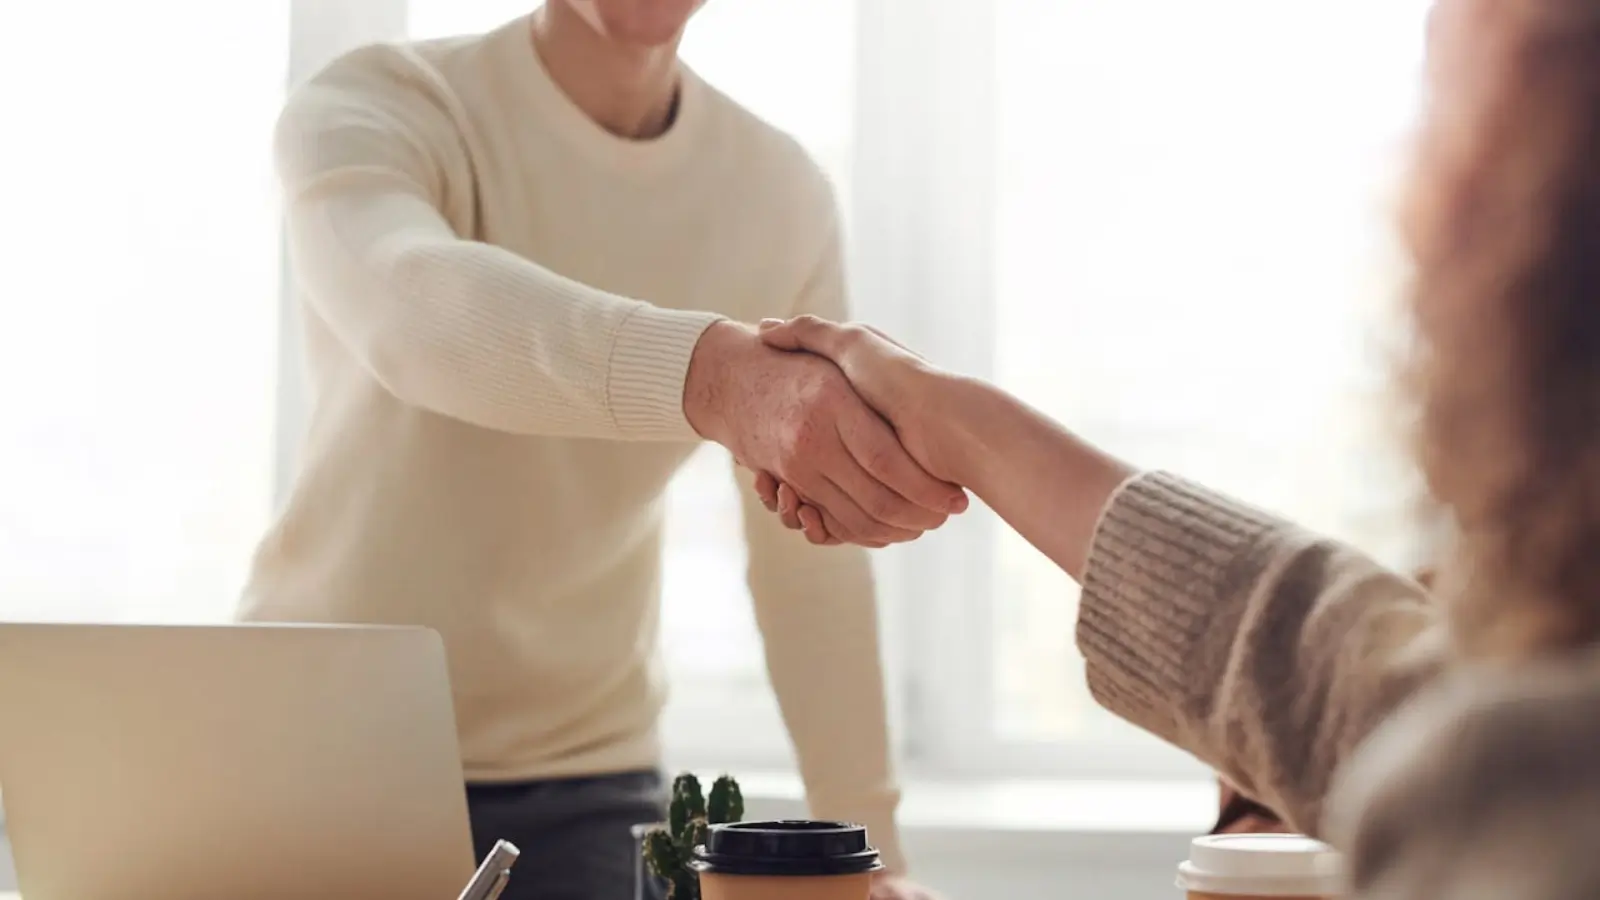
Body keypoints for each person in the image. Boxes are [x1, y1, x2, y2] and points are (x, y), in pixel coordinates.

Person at [750, 0, 1600, 894]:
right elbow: (1370, 689)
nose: (1408, 196)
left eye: (1448, 118)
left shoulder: (1520, 797)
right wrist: (965, 429)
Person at [242, 2, 961, 898]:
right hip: (308, 754)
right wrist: (712, 378)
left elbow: (807, 560)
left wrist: (875, 854)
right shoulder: (381, 101)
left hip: (584, 782)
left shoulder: (778, 193)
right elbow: (411, 311)